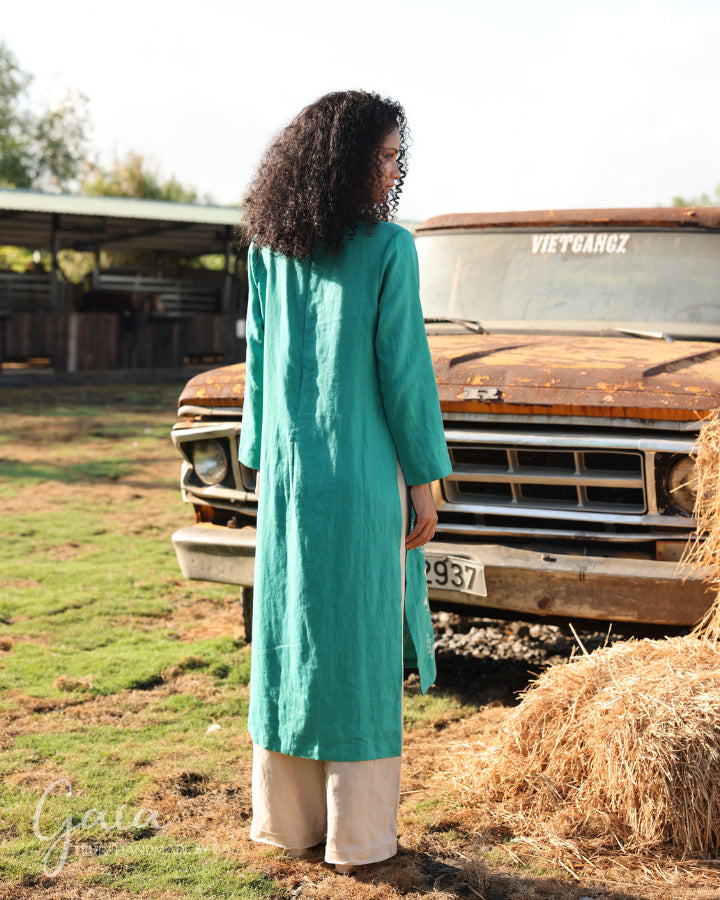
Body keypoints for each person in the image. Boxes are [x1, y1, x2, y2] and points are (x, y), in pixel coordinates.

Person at [238, 90, 451, 875]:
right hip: (362, 483)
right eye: (388, 155)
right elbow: (404, 374)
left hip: (289, 484)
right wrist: (424, 479)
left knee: (289, 636)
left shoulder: (269, 248)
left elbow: (258, 375)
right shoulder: (390, 248)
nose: (397, 169)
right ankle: (357, 839)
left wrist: (262, 462)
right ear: (348, 160)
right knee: (358, 646)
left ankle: (285, 823)